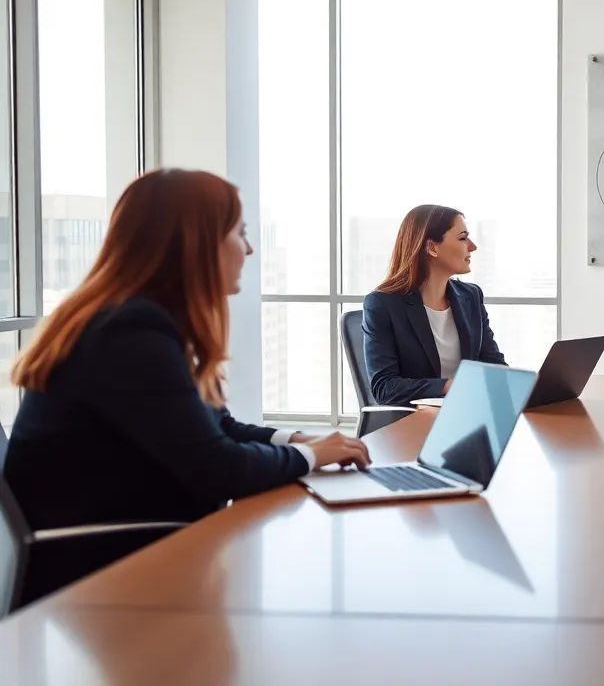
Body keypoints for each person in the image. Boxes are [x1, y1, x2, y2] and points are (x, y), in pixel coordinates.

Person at [4, 169, 370, 604]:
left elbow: (217, 427)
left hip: (131, 551)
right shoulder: (129, 332)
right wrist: (311, 456)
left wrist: (295, 438)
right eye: (240, 233)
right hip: (101, 577)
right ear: (196, 244)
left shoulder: (132, 319)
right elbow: (217, 468)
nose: (249, 249)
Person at [363, 205, 506, 406]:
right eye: (463, 238)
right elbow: (385, 387)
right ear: (431, 247)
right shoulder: (383, 304)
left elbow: (493, 364)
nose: (472, 246)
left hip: (470, 413)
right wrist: (449, 386)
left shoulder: (471, 296)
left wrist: (520, 384)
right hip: (414, 422)